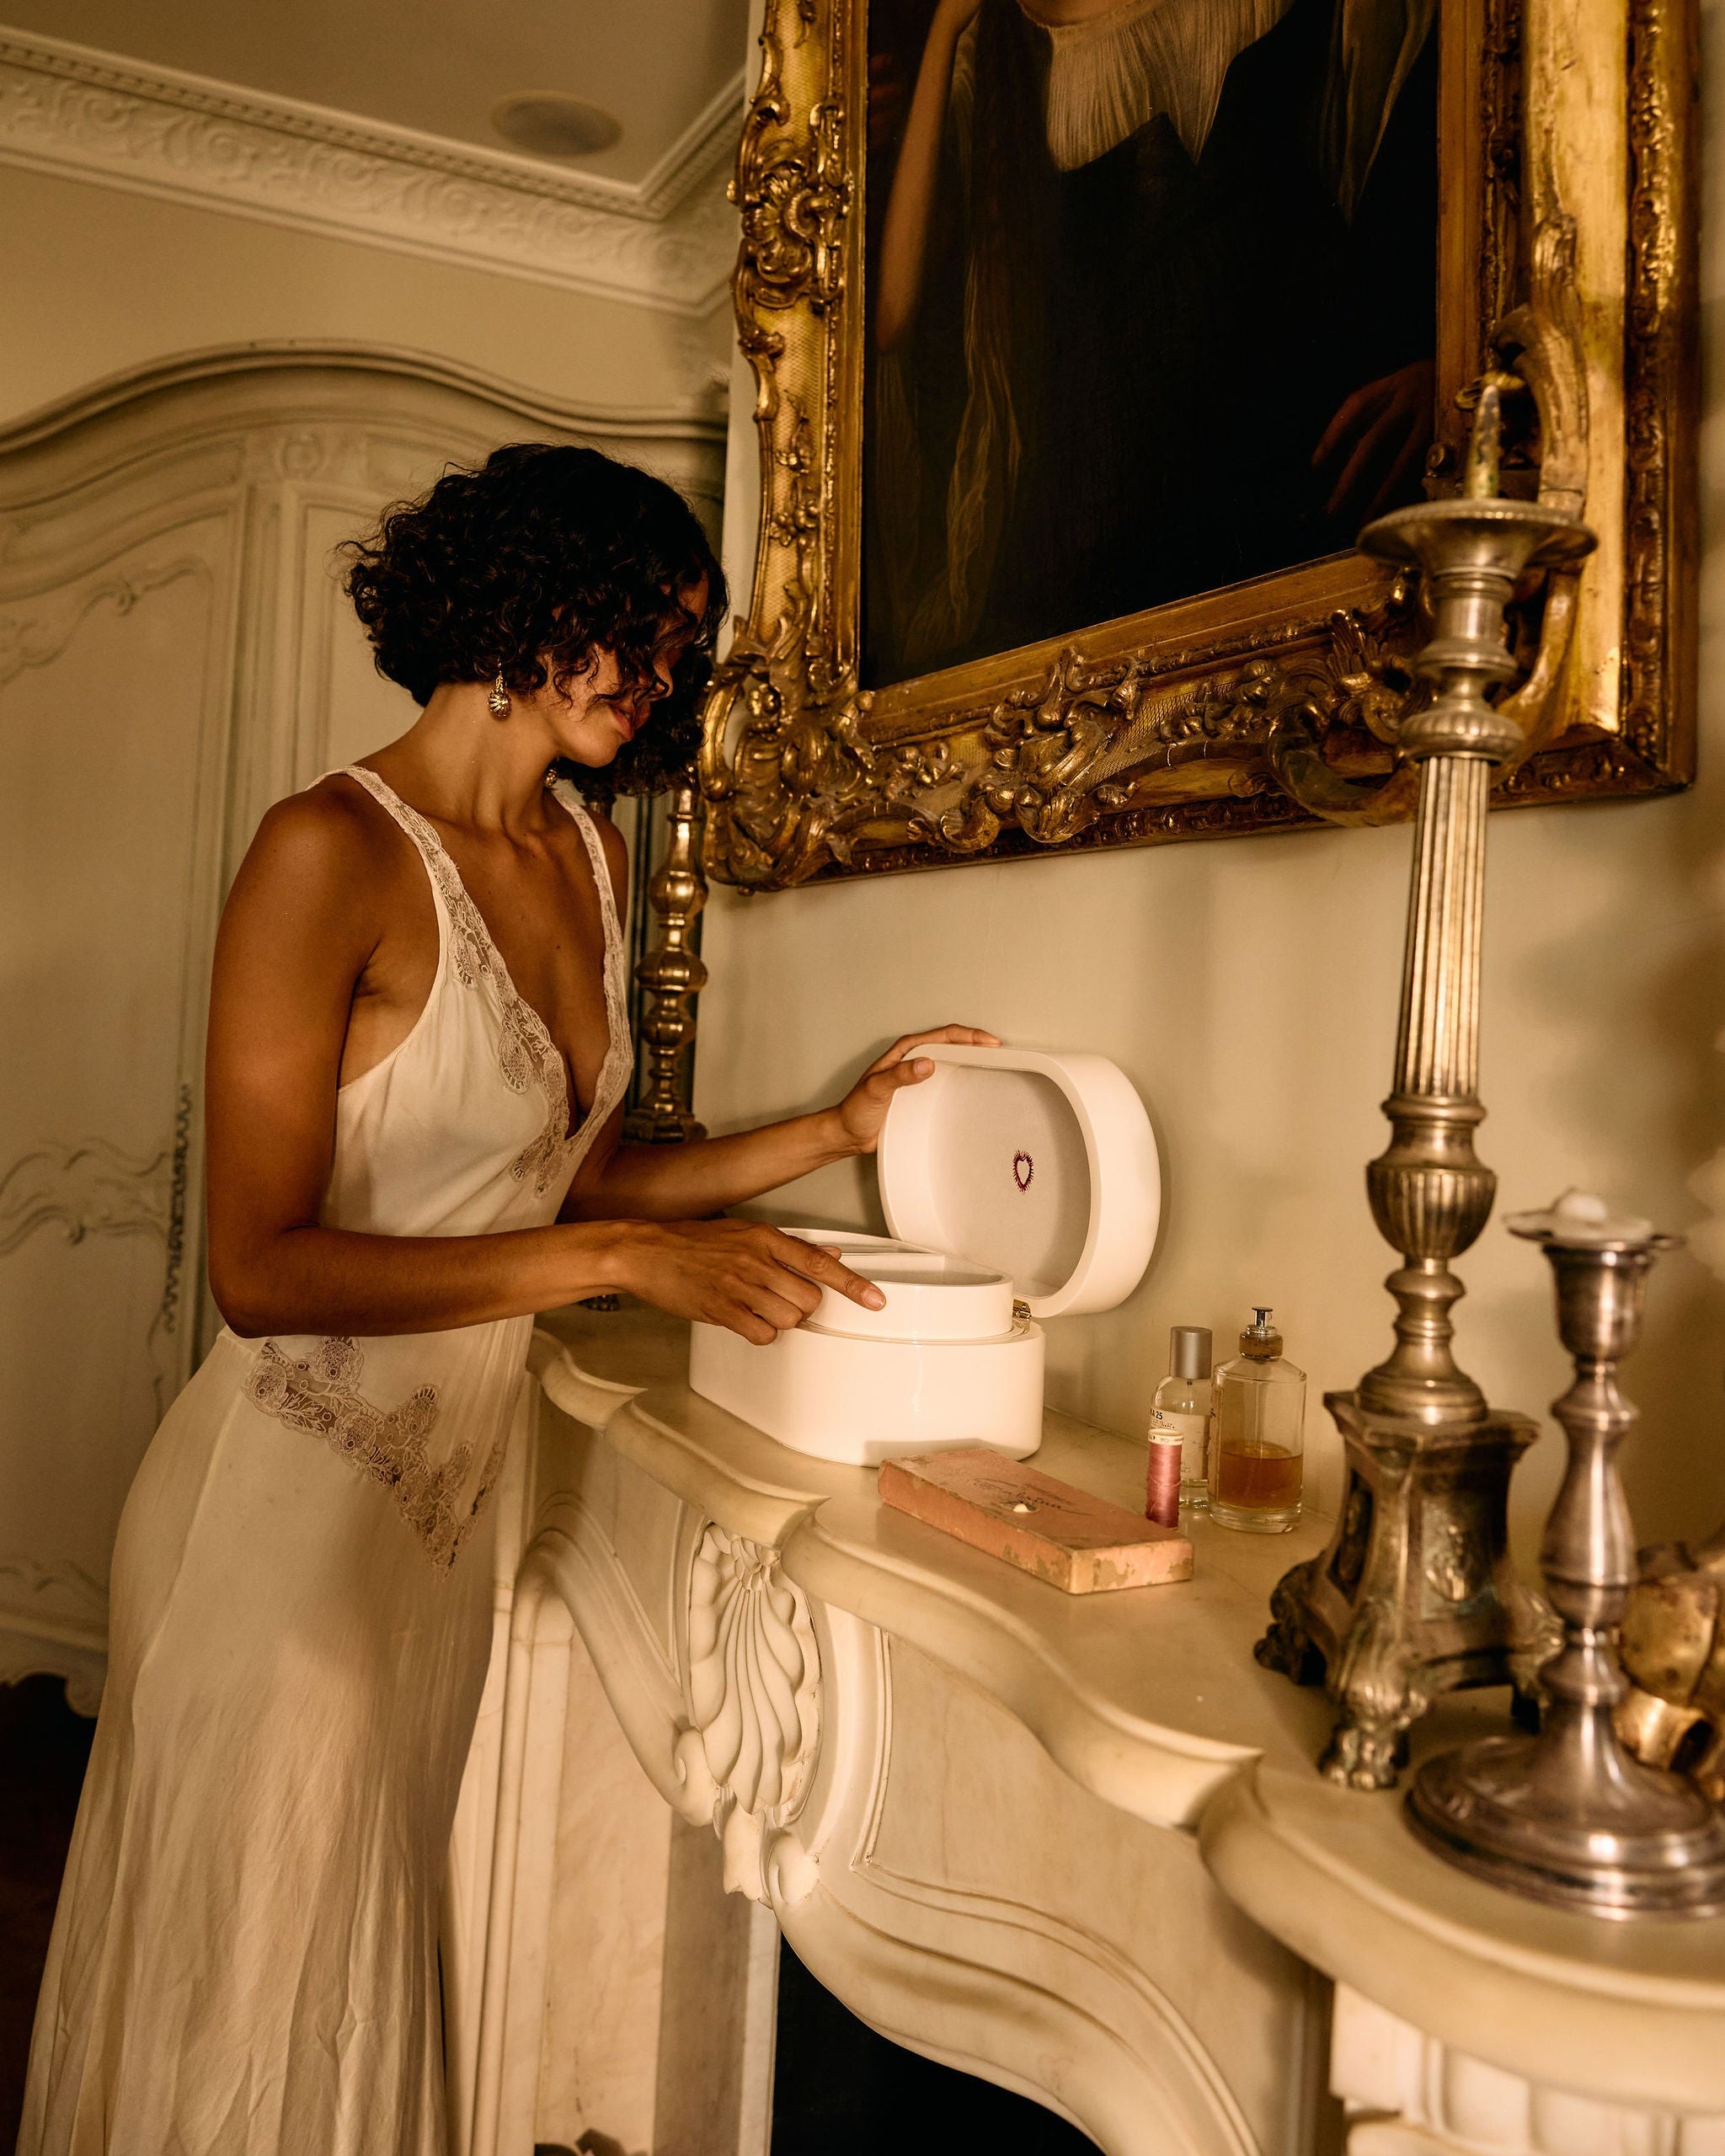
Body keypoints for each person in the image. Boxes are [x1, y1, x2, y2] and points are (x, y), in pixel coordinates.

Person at [19, 442, 996, 2153]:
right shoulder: (326, 849)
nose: (664, 676)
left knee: (360, 1938)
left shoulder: (587, 858)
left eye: (684, 649)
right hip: (279, 1509)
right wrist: (613, 1263)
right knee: (249, 1963)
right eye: (648, 630)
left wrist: (833, 1129)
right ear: (537, 601)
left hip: (436, 1522)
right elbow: (262, 1268)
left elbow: (570, 1174)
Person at [864, 0, 1439, 685]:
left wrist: (1448, 350)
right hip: (1094, 502)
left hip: (1271, 467)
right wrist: (944, 32)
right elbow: (893, 317)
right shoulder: (992, 51)